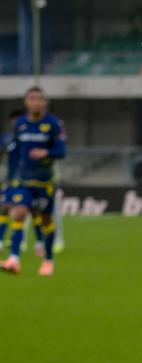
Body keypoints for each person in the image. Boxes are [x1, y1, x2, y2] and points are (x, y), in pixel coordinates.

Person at [1, 87, 67, 277]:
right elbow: (17, 151)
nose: (36, 102)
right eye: (32, 98)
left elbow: (62, 151)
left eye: (39, 99)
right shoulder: (20, 124)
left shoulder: (54, 124)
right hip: (24, 180)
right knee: (19, 212)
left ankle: (48, 259)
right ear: (26, 102)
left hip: (45, 181)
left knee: (45, 219)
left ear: (45, 103)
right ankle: (14, 259)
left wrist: (45, 153)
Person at [0, 110, 20, 254]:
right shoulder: (6, 138)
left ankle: (41, 242)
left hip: (28, 179)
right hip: (11, 178)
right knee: (5, 207)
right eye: (13, 120)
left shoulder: (27, 138)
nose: (15, 123)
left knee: (32, 212)